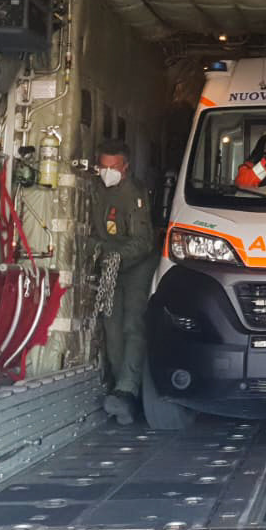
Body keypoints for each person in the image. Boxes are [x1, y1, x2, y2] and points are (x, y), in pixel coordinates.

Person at [94, 139, 156, 426]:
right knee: (111, 325)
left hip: (135, 266)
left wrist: (114, 254)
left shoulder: (134, 195)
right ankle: (122, 391)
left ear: (126, 167)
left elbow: (143, 242)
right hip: (110, 265)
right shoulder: (96, 189)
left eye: (114, 167)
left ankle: (128, 389)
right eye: (103, 166)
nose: (107, 172)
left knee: (133, 323)